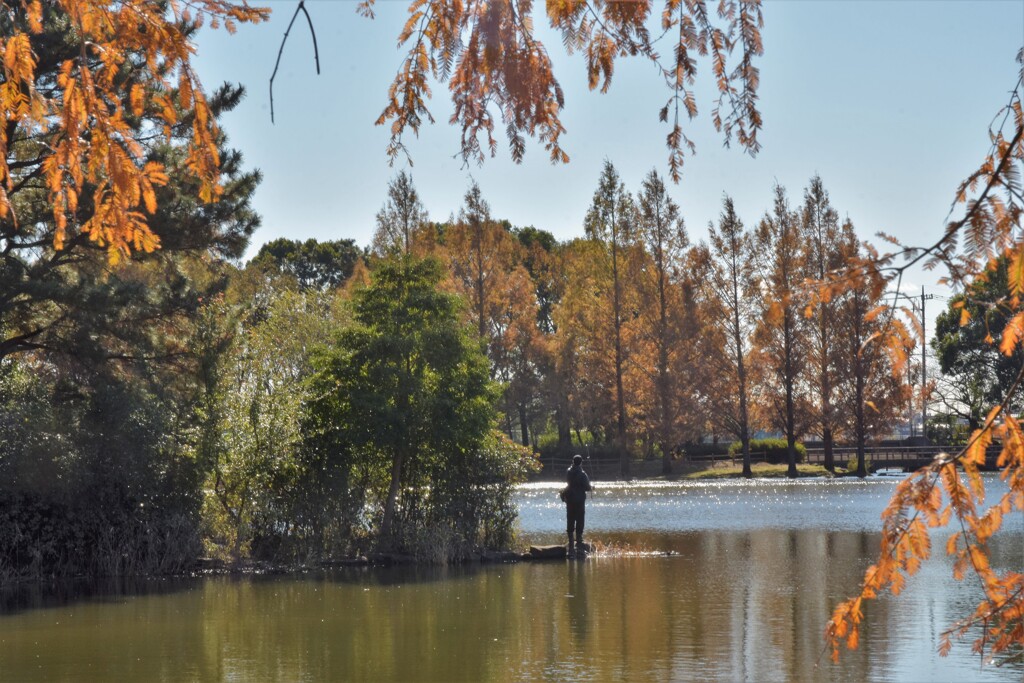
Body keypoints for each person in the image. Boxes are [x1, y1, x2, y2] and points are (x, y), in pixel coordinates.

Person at [564, 454, 593, 557]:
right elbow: (587, 487)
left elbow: (568, 483)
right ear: (581, 462)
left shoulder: (568, 472)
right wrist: (591, 487)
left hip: (570, 499)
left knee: (570, 518)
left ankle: (571, 542)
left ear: (573, 461)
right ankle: (579, 540)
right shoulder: (583, 474)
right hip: (580, 500)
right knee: (580, 519)